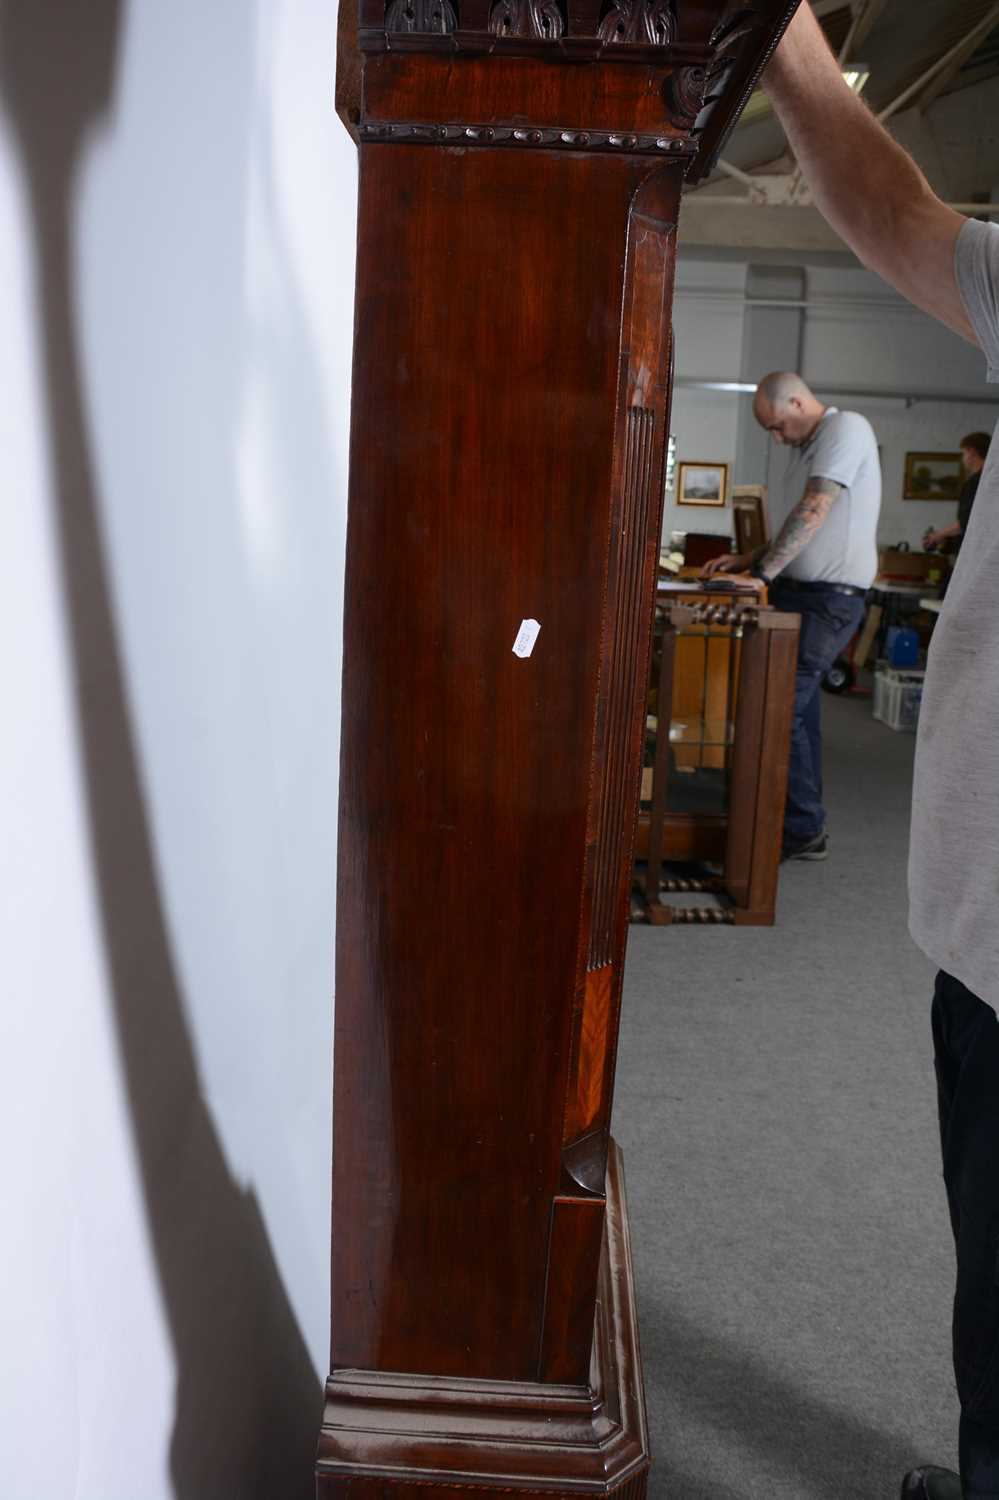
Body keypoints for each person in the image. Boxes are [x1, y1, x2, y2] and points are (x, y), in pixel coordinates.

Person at [758, 7, 999, 1497]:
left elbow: (896, 214)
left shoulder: (838, 436)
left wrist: (787, 48)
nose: (782, 429)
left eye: (779, 413)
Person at [702, 372, 881, 862]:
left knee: (781, 704)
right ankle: (803, 820)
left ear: (799, 402)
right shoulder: (812, 445)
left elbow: (816, 508)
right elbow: (798, 527)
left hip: (830, 598)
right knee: (799, 710)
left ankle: (802, 828)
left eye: (777, 426)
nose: (777, 437)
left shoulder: (847, 429)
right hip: (805, 591)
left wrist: (760, 574)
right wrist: (750, 558)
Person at [925, 432, 991, 551]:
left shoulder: (976, 483)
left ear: (972, 451)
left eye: (964, 453)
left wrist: (937, 536)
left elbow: (966, 522)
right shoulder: (989, 480)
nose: (963, 458)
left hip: (977, 552)